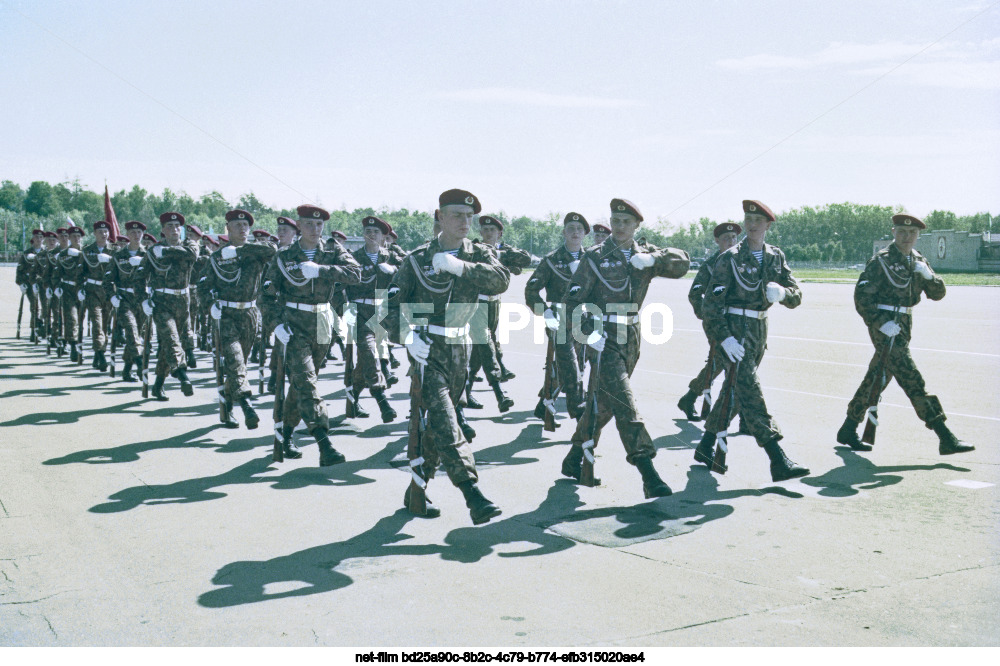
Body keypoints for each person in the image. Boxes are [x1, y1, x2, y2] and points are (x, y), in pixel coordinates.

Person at [387, 188, 507, 524]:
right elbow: (390, 308)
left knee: (437, 427)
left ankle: (417, 490)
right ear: (440, 216)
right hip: (428, 351)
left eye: (470, 217)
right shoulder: (415, 259)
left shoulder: (478, 254)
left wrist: (460, 268)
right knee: (447, 421)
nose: (465, 222)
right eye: (457, 215)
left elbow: (501, 281)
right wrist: (407, 337)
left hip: (462, 351)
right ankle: (473, 494)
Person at [561, 198, 689, 497]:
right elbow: (572, 303)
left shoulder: (645, 254)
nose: (619, 227)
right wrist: (589, 333)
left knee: (607, 402)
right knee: (626, 404)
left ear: (636, 226)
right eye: (615, 221)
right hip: (603, 335)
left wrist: (654, 261)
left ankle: (575, 455)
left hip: (631, 333)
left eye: (626, 222)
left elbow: (683, 262)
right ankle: (647, 471)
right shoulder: (594, 257)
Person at [837, 214, 974, 455]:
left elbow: (937, 294)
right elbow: (862, 297)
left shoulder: (919, 260)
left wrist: (930, 276)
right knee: (912, 379)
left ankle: (848, 428)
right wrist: (880, 323)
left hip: (905, 324)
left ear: (918, 235)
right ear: (893, 232)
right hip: (885, 327)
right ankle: (944, 435)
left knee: (876, 380)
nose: (906, 237)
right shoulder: (880, 262)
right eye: (902, 232)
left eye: (911, 233)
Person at [696, 200, 809, 482]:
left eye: (758, 219)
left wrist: (783, 293)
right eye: (749, 218)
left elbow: (797, 293)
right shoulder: (730, 258)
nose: (752, 224)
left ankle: (705, 446)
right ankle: (777, 457)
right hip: (734, 332)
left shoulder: (775, 256)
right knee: (751, 391)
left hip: (758, 332)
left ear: (768, 225)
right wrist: (724, 339)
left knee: (733, 392)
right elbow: (711, 305)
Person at [262, 204, 362, 464]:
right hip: (293, 324)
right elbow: (266, 295)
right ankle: (323, 442)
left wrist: (321, 270)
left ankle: (285, 432)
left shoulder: (332, 251)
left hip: (321, 321)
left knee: (302, 384)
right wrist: (276, 325)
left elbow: (355, 274)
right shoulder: (284, 256)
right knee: (307, 382)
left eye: (319, 225)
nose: (315, 229)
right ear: (299, 225)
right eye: (309, 224)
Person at [198, 209, 277, 429]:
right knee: (235, 361)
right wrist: (210, 306)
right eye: (237, 226)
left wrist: (241, 251)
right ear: (228, 228)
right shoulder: (217, 258)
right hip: (227, 315)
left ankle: (226, 403)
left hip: (250, 315)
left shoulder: (257, 251)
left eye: (245, 226)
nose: (242, 229)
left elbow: (273, 250)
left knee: (237, 365)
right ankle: (246, 405)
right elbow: (202, 288)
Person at [525, 211, 590, 421]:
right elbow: (531, 291)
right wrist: (546, 313)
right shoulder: (551, 260)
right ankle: (579, 414)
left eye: (579, 229)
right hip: (559, 320)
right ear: (564, 232)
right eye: (571, 228)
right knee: (570, 366)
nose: (575, 232)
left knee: (574, 366)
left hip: (585, 320)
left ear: (584, 234)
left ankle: (543, 404)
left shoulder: (591, 259)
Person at [677, 222, 742, 420]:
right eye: (725, 239)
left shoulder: (741, 260)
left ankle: (689, 398)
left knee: (724, 363)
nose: (730, 242)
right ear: (717, 241)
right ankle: (744, 415)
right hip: (716, 321)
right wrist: (707, 315)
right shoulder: (711, 264)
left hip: (737, 320)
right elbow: (695, 293)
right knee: (728, 363)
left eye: (733, 238)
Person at [464, 215, 524, 412]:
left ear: (499, 234)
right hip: (477, 303)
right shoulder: (473, 250)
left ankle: (465, 391)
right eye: (485, 230)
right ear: (480, 233)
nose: (489, 233)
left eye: (493, 230)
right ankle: (499, 392)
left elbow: (526, 258)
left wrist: (503, 255)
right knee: (485, 342)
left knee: (479, 351)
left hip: (494, 303)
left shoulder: (501, 251)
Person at [141, 212, 201, 400]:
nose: (174, 230)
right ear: (163, 230)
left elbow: (192, 255)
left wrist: (166, 252)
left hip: (183, 302)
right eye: (170, 227)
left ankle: (158, 384)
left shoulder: (189, 245)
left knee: (172, 343)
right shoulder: (153, 252)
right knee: (171, 338)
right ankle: (182, 376)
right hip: (162, 302)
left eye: (177, 227)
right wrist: (144, 299)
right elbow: (139, 277)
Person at [104, 221, 149, 382]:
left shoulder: (148, 255)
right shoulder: (118, 256)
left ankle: (127, 369)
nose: (136, 236)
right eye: (133, 233)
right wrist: (112, 296)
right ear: (128, 235)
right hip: (124, 299)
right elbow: (107, 280)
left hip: (142, 300)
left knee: (138, 334)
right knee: (131, 330)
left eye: (139, 233)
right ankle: (139, 363)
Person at [80, 220, 115, 371]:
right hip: (93, 290)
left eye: (106, 231)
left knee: (105, 325)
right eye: (100, 232)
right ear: (94, 234)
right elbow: (80, 272)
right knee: (97, 323)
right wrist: (80, 288)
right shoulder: (87, 251)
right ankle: (101, 355)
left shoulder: (115, 251)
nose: (104, 234)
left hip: (108, 291)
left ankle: (98, 352)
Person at [54, 226, 87, 362]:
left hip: (83, 290)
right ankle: (74, 346)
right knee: (71, 318)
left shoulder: (87, 253)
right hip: (68, 289)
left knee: (80, 319)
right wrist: (56, 287)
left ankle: (76, 342)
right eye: (73, 236)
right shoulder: (63, 255)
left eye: (78, 236)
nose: (76, 239)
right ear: (69, 238)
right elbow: (56, 274)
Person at [15, 230, 43, 341]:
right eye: (37, 237)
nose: (39, 239)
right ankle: (34, 331)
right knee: (34, 307)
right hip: (30, 284)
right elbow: (19, 271)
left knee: (46, 308)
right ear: (33, 239)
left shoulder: (46, 253)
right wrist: (21, 283)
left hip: (43, 283)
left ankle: (43, 328)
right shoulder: (26, 254)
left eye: (41, 237)